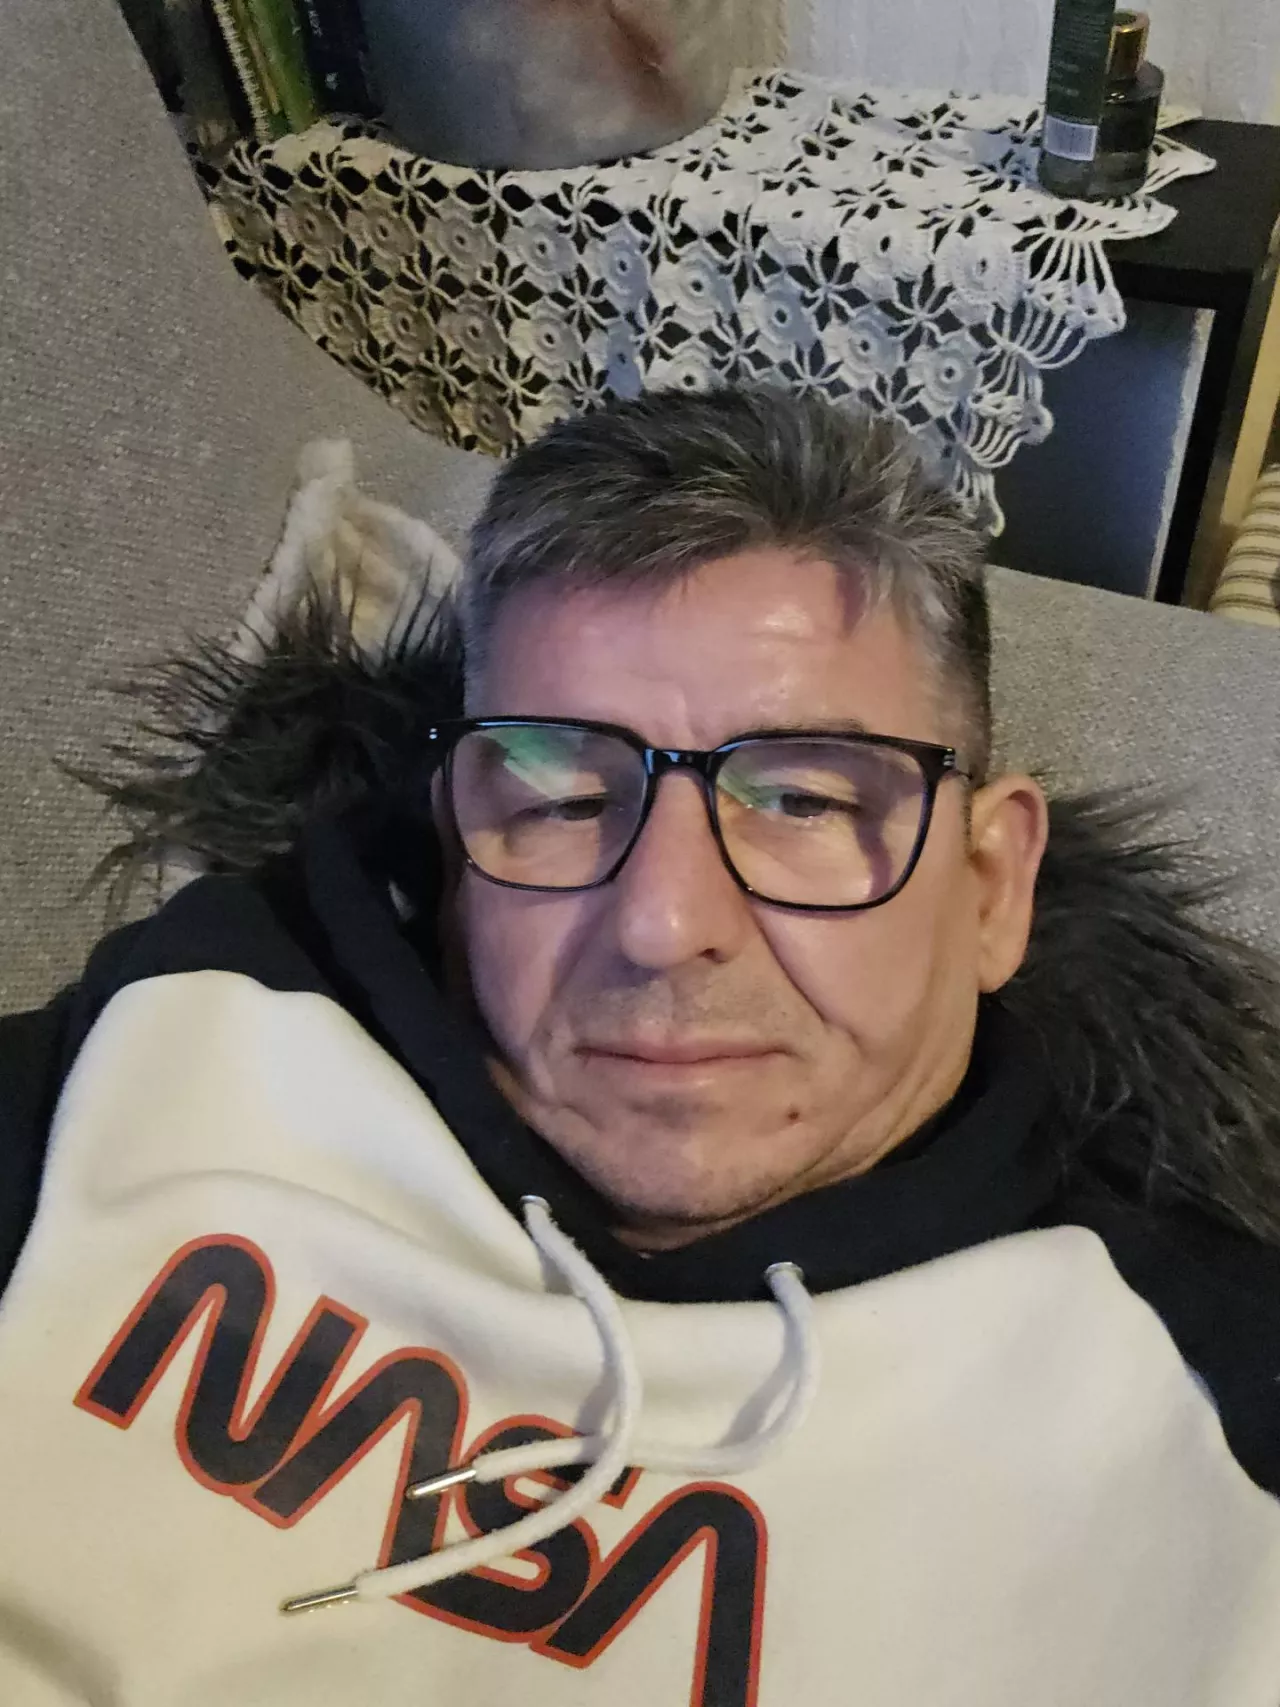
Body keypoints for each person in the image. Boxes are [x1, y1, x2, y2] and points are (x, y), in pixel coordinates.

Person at [1, 387, 1279, 1705]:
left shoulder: (1206, 1416)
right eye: (563, 797)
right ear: (454, 842)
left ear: (992, 887)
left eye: (802, 798)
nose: (664, 924)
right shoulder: (176, 1047)